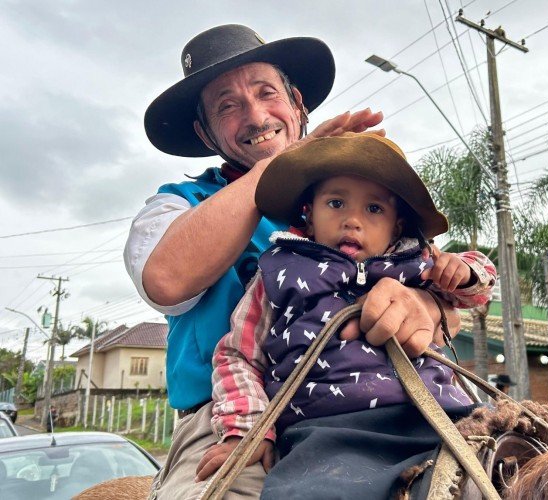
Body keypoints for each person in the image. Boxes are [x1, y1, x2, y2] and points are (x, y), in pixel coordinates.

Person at [124, 24, 468, 498]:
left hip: (388, 403)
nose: (256, 115)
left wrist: (425, 306)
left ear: (298, 104)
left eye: (267, 93)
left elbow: (451, 295)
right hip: (230, 423)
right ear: (205, 132)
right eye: (228, 106)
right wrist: (286, 165)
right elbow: (166, 278)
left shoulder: (359, 199)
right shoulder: (176, 206)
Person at [198, 133, 496, 497]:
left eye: (374, 209)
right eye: (336, 203)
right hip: (326, 431)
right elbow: (237, 354)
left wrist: (462, 270)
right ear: (308, 216)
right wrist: (249, 429)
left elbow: (478, 292)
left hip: (439, 415)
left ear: (397, 227)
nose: (353, 220)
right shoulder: (277, 273)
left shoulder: (419, 264)